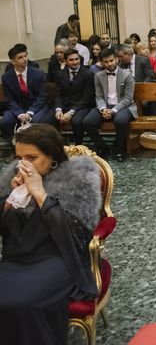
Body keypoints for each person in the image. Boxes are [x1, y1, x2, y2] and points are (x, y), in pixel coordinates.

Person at [0, 124, 101, 344]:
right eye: (19, 158)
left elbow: (78, 234)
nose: (23, 165)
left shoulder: (78, 178)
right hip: (18, 257)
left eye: (32, 157)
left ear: (51, 155)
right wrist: (8, 202)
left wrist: (40, 195)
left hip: (59, 257)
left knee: (25, 303)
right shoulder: (12, 176)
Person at [83, 48, 137, 162]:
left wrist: (113, 111)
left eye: (111, 60)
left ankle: (119, 149)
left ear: (117, 59)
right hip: (105, 105)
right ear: (102, 63)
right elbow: (98, 96)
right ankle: (103, 148)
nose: (109, 64)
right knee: (87, 121)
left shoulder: (127, 76)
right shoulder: (98, 76)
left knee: (120, 121)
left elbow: (128, 98)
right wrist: (103, 109)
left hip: (123, 106)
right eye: (106, 62)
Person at [1, 45, 54, 145]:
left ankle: (36, 149)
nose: (25, 59)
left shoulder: (38, 73)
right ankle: (16, 150)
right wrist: (20, 114)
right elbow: (9, 99)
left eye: (25, 56)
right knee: (5, 122)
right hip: (17, 108)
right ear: (13, 61)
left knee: (35, 122)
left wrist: (29, 113)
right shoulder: (6, 77)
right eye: (20, 57)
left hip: (36, 107)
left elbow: (41, 97)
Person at [53, 49, 95, 145]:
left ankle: (78, 146)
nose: (75, 62)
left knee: (77, 121)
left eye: (77, 59)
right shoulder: (60, 74)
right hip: (65, 105)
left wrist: (71, 112)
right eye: (71, 60)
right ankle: (56, 146)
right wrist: (58, 109)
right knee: (49, 119)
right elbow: (58, 95)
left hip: (82, 106)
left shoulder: (88, 74)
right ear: (66, 61)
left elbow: (87, 97)